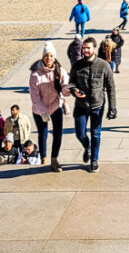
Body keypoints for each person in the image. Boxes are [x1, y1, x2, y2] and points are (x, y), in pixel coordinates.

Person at [69, 36, 117, 173]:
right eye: (84, 48)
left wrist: (112, 108)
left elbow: (111, 87)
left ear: (94, 49)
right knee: (80, 133)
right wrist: (74, 91)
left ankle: (94, 160)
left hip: (97, 105)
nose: (85, 50)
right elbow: (71, 83)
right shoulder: (77, 66)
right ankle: (87, 147)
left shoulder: (103, 65)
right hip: (81, 105)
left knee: (96, 133)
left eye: (88, 48)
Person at [29, 42, 68, 171]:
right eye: (46, 56)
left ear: (54, 57)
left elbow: (65, 86)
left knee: (58, 133)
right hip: (39, 109)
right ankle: (43, 157)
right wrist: (43, 112)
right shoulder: (35, 75)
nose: (49, 59)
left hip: (56, 105)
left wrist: (68, 90)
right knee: (43, 133)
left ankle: (54, 159)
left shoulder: (60, 70)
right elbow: (35, 97)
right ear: (43, 57)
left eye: (51, 56)